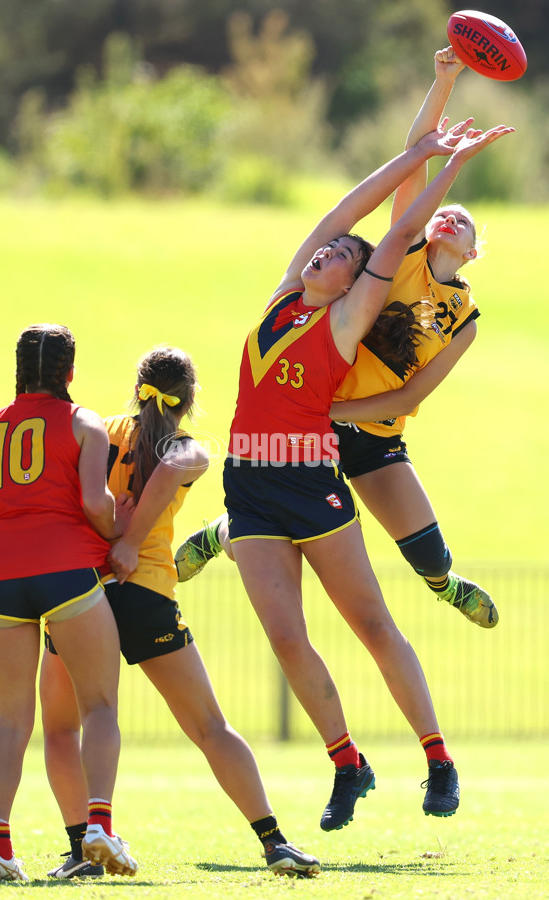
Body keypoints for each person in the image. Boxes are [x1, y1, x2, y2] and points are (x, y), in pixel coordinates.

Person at [179, 116, 513, 832]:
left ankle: (439, 756)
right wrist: (419, 150)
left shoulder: (348, 318)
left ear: (355, 279)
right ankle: (347, 762)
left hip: (312, 484)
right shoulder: (280, 298)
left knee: (368, 622)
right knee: (286, 637)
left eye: (335, 257)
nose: (322, 252)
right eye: (323, 250)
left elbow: (390, 237)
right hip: (251, 485)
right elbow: (349, 211)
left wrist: (449, 167)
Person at [176, 48, 497, 630]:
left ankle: (445, 583)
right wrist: (443, 82)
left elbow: (405, 400)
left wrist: (336, 408)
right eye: (444, 212)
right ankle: (221, 532)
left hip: (372, 429)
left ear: (474, 252)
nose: (451, 218)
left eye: (465, 221)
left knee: (427, 552)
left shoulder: (466, 319)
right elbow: (415, 156)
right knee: (277, 520)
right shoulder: (405, 251)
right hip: (315, 422)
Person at [41, 344, 320, 880]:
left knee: (61, 728)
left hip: (82, 596)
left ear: (138, 386)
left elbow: (76, 500)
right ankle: (274, 841)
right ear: (189, 399)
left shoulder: (97, 430)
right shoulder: (190, 448)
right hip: (145, 594)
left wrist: (110, 533)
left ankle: (82, 846)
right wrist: (133, 540)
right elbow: (175, 466)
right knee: (210, 727)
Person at [0, 324, 138, 882]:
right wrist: (124, 525)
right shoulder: (83, 422)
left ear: (18, 370)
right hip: (64, 568)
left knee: (9, 721)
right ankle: (99, 825)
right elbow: (96, 503)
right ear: (69, 372)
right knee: (99, 706)